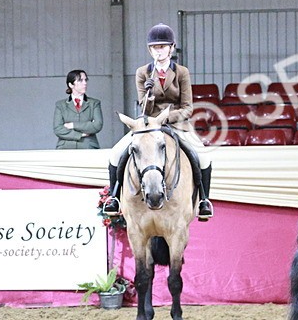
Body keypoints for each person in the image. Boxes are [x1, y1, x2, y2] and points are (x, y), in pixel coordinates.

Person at [102, 23, 214, 221]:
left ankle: (204, 200)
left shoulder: (181, 72)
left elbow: (188, 108)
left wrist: (165, 118)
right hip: (148, 126)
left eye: (162, 47)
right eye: (155, 47)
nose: (159, 51)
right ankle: (114, 197)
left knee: (203, 156)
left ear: (171, 48)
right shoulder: (142, 73)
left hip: (176, 124)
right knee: (115, 153)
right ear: (149, 50)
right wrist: (149, 96)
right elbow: (143, 110)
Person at [53, 69, 103, 149]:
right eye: (80, 80)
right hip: (65, 148)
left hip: (88, 146)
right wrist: (81, 134)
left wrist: (72, 125)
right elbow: (58, 129)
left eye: (85, 80)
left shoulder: (94, 103)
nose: (85, 83)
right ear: (71, 85)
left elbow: (97, 125)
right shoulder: (60, 105)